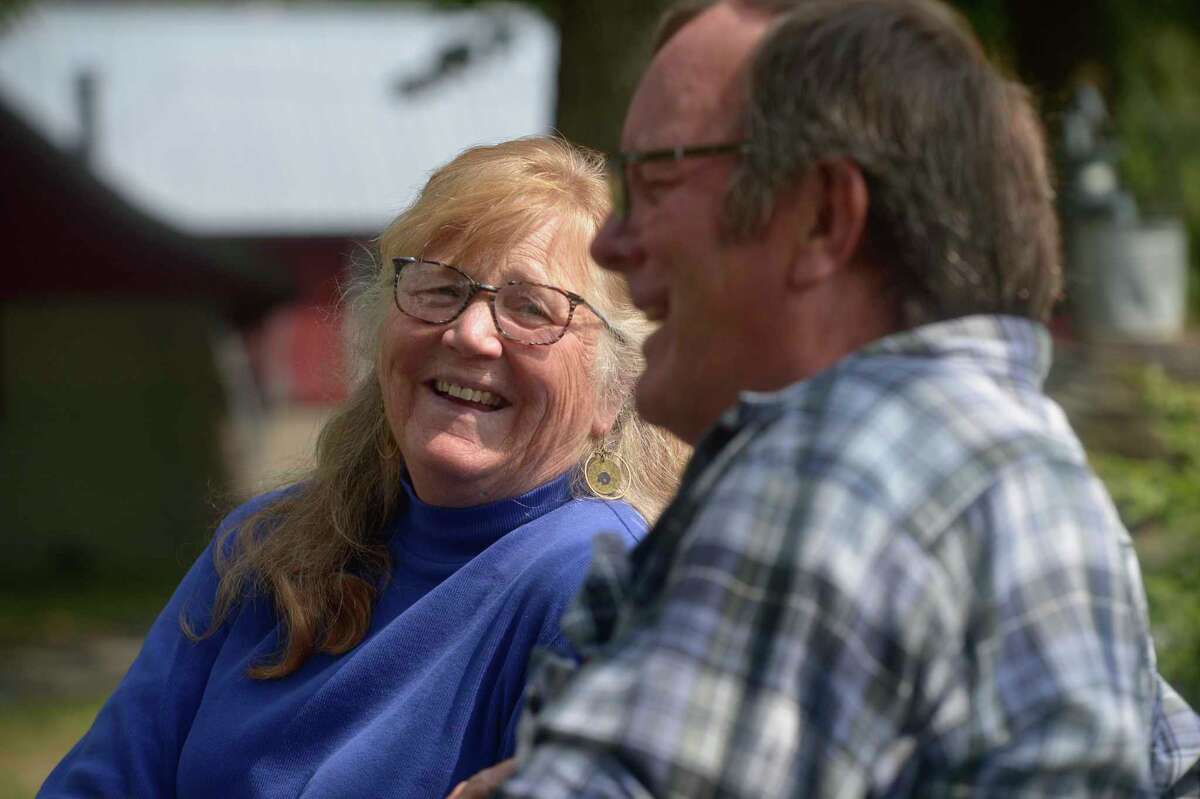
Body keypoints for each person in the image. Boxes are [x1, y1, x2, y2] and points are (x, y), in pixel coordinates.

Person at [459, 1, 1200, 796]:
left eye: (656, 180)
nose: (611, 241)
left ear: (824, 218)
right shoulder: (1029, 473)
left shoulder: (842, 466)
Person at [38, 136, 687, 799]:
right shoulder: (265, 546)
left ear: (614, 389)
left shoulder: (596, 578)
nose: (468, 332)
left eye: (530, 309)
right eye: (439, 288)